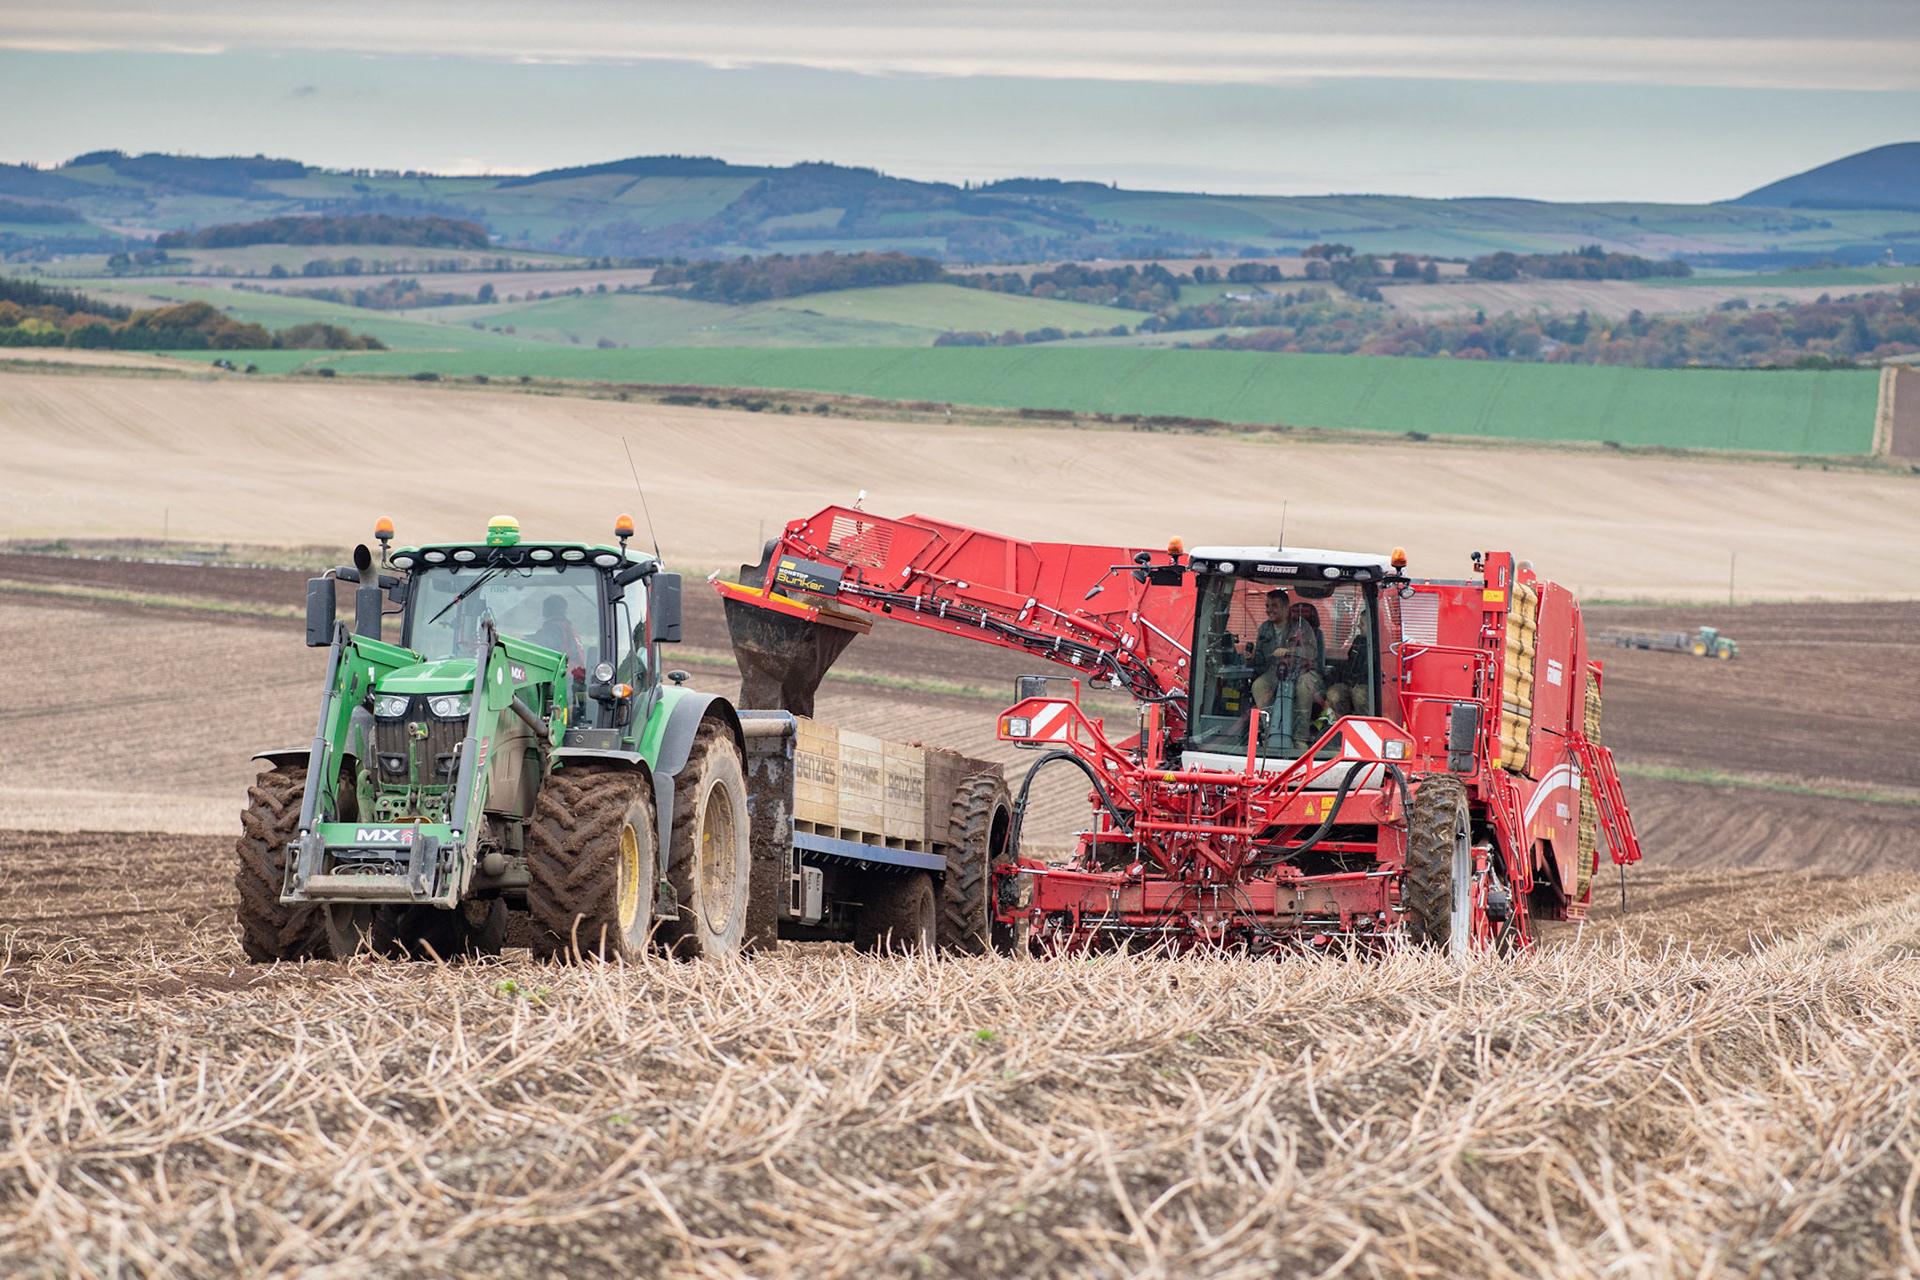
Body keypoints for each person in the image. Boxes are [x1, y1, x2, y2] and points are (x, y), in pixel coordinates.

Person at [1250, 591, 1325, 748]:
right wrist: (1248, 658)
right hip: (1276, 671)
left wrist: (1289, 651)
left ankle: (1300, 739)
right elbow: (1259, 660)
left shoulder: (1302, 626)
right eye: (1267, 606)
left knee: (1303, 687)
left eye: (1274, 606)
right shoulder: (1264, 628)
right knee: (1259, 685)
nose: (1269, 610)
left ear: (1286, 608)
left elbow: (1311, 653)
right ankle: (1272, 732)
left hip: (1304, 671)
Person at [529, 593, 588, 675]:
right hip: (575, 675)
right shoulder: (566, 629)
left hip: (565, 676)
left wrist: (525, 639)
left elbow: (547, 642)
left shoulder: (555, 627)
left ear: (547, 610)